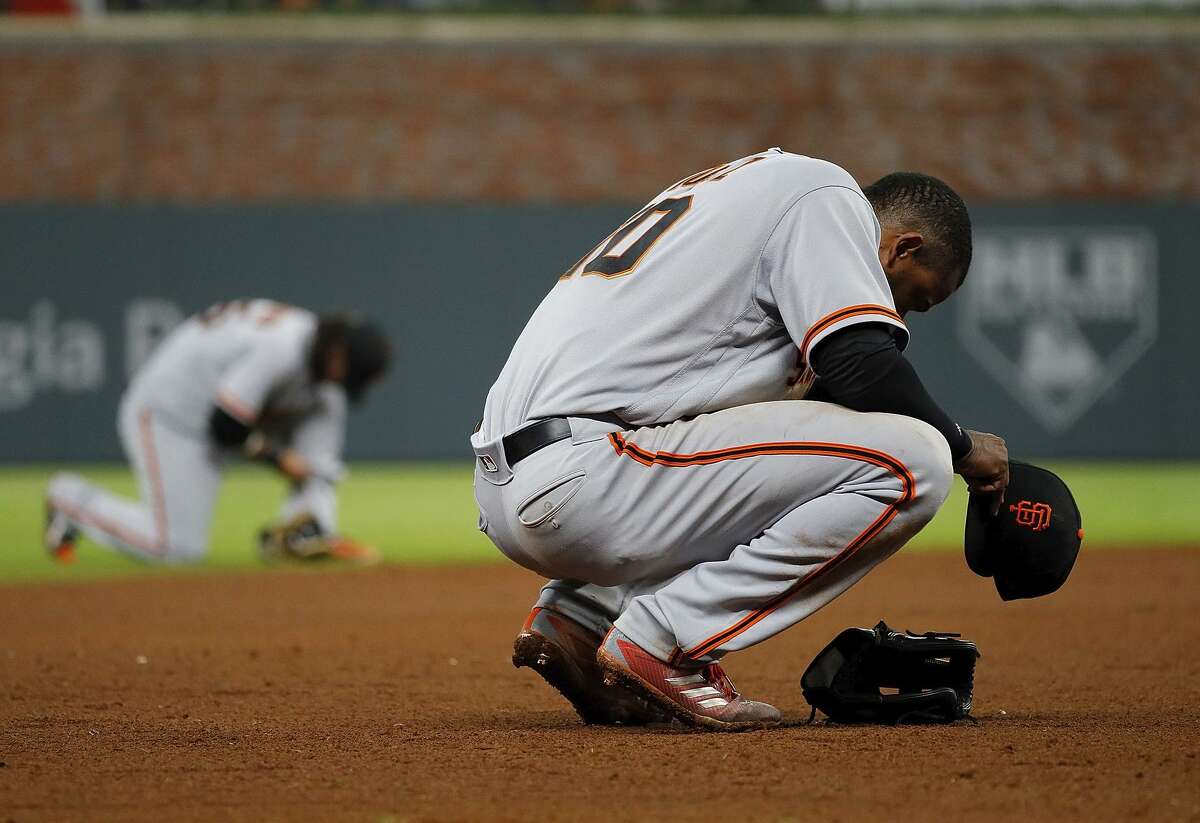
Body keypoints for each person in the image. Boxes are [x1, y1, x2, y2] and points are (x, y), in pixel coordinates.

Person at [472, 148, 1009, 730]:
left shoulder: (752, 200)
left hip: (525, 484)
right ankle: (666, 643)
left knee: (800, 456)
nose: (901, 312)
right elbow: (859, 361)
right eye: (914, 296)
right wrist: (961, 445)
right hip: (585, 476)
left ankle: (582, 615)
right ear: (903, 247)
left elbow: (797, 429)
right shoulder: (828, 197)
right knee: (916, 460)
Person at [44, 299, 390, 566]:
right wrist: (278, 458)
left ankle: (305, 530)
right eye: (348, 373)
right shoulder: (280, 348)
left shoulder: (315, 361)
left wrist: (309, 467)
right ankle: (70, 500)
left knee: (328, 406)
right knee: (175, 547)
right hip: (172, 416)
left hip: (231, 412)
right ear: (337, 355)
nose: (345, 383)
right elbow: (225, 426)